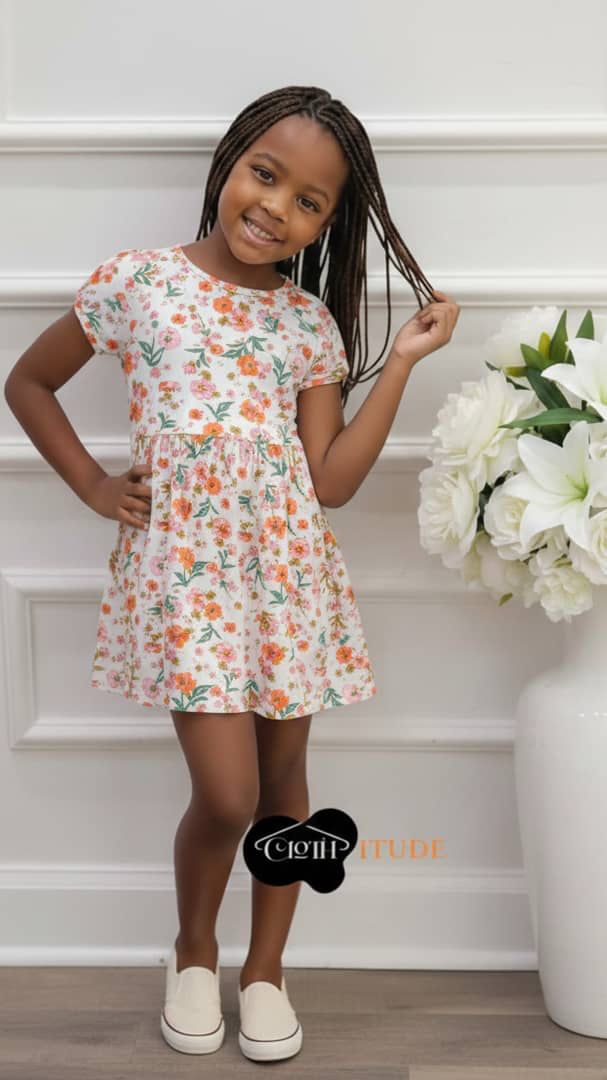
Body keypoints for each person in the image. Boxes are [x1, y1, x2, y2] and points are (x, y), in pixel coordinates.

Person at [4, 84, 460, 1063]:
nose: (276, 207)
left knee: (284, 782)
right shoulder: (139, 282)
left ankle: (266, 971)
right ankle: (194, 951)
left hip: (288, 577)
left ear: (325, 226)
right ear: (230, 161)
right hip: (187, 583)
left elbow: (329, 482)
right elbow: (28, 381)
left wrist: (401, 365)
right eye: (265, 174)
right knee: (226, 796)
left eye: (309, 201)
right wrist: (93, 484)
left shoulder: (307, 325)